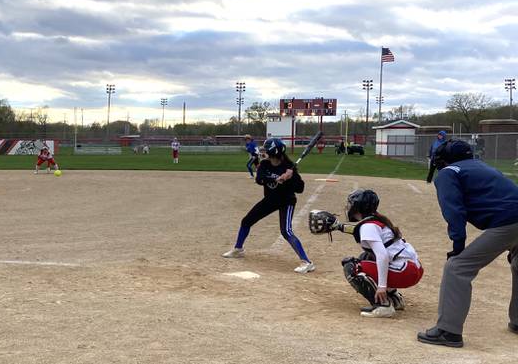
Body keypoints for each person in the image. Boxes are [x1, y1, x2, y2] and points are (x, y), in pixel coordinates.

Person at [417, 139, 518, 348]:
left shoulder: (448, 173)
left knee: (457, 268)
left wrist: (457, 247)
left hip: (508, 222)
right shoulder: (483, 167)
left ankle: (448, 331)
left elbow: (454, 212)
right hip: (512, 220)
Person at [222, 138, 315, 274]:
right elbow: (259, 179)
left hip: (286, 201)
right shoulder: (265, 164)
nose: (264, 152)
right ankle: (238, 249)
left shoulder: (289, 168)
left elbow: (300, 189)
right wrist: (276, 178)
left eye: (267, 150)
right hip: (270, 199)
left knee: (286, 231)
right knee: (246, 221)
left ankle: (307, 262)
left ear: (274, 152)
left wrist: (291, 177)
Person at [336, 190, 423, 318]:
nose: (349, 207)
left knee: (352, 267)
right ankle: (394, 298)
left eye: (351, 204)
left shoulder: (367, 226)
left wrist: (382, 286)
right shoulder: (376, 219)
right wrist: (338, 226)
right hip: (412, 268)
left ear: (359, 206)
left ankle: (383, 305)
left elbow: (383, 256)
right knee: (365, 257)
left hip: (405, 271)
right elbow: (358, 230)